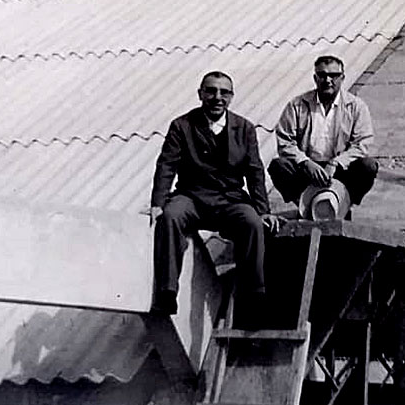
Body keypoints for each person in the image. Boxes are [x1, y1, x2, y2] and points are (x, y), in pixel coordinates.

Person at [149, 71, 281, 325]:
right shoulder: (181, 126)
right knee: (170, 216)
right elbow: (166, 166)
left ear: (231, 97)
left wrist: (263, 210)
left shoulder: (244, 128)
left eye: (224, 92)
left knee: (252, 223)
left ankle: (254, 296)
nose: (217, 97)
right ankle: (167, 292)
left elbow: (254, 171)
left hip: (230, 199)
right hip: (192, 196)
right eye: (211, 91)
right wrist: (157, 203)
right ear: (200, 94)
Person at [268, 55, 378, 217]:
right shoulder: (297, 105)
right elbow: (285, 142)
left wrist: (337, 163)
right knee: (278, 166)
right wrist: (305, 162)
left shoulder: (356, 106)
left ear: (342, 78)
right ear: (315, 78)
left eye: (333, 75)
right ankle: (306, 204)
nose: (328, 80)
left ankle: (343, 203)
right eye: (322, 75)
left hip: (340, 169)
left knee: (368, 166)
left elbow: (362, 143)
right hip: (307, 169)